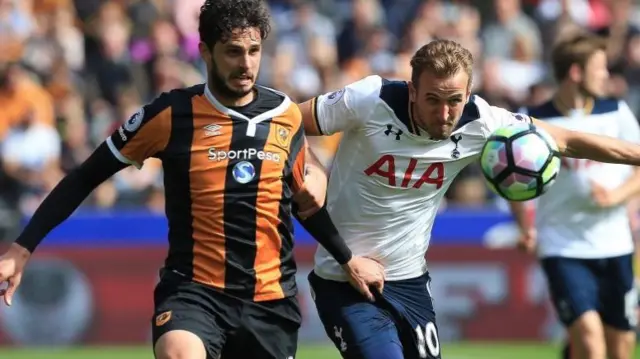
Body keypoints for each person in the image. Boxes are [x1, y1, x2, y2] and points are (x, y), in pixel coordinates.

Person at [0, 1, 384, 359]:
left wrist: (348, 259)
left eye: (254, 51)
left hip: (271, 300)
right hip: (194, 292)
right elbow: (84, 177)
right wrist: (23, 247)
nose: (246, 64)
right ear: (205, 52)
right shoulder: (171, 115)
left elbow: (303, 203)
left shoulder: (283, 114)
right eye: (233, 51)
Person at [298, 37, 640, 359]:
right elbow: (286, 123)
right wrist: (312, 168)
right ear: (412, 90)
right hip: (345, 279)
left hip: (411, 282)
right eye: (433, 99)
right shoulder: (372, 99)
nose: (445, 114)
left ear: (468, 93)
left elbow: (569, 140)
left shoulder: (483, 121)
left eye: (454, 101)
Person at [512, 33, 639, 359]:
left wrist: (617, 195)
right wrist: (524, 226)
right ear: (575, 73)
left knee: (620, 348)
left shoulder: (616, 112)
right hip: (562, 245)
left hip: (615, 244)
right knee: (590, 339)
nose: (606, 76)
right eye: (599, 68)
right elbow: (511, 176)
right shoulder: (534, 119)